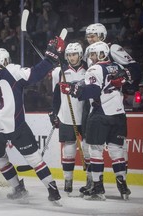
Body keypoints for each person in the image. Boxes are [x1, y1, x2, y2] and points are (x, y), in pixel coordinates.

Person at [0, 37, 65, 204]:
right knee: (34, 159)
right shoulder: (12, 70)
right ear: (5, 60)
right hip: (16, 125)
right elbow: (36, 74)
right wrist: (50, 59)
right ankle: (52, 188)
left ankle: (18, 188)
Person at [59, 41, 131, 200]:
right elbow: (128, 81)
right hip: (119, 115)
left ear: (101, 54)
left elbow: (93, 90)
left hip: (100, 113)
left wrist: (73, 89)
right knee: (116, 151)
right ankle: (123, 185)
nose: (90, 57)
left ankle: (98, 187)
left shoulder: (94, 68)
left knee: (95, 150)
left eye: (93, 54)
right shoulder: (118, 67)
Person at [49, 42, 87, 195]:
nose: (72, 57)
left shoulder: (89, 69)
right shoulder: (60, 71)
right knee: (69, 149)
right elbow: (56, 95)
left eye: (75, 54)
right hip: (66, 115)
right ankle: (68, 181)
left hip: (85, 115)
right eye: (69, 55)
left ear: (80, 54)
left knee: (88, 149)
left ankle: (91, 181)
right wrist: (54, 112)